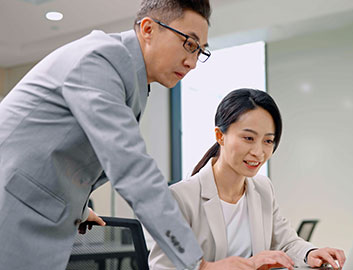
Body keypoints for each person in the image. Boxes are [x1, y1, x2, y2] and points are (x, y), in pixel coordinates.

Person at [0, 1, 254, 269]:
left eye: (200, 51)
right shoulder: (100, 60)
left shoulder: (127, 75)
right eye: (189, 44)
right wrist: (198, 263)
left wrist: (79, 209)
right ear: (148, 29)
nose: (192, 62)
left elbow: (52, 151)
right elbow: (131, 167)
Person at [148, 89, 347, 270]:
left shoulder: (262, 188)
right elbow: (163, 268)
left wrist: (310, 253)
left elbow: (286, 242)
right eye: (248, 138)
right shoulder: (181, 198)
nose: (258, 152)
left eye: (268, 141)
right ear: (220, 136)